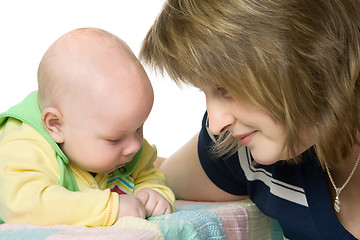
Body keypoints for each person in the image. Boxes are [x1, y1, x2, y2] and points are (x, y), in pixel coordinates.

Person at [140, 0, 360, 239]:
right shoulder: (245, 150)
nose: (216, 124)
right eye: (205, 91)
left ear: (303, 54)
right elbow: (150, 177)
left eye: (223, 88)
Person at [0, 27, 174, 227]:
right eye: (115, 139)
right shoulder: (22, 146)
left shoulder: (123, 141)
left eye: (138, 128)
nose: (135, 146)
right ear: (56, 126)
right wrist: (109, 208)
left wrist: (153, 193)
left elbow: (149, 174)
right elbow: (24, 205)